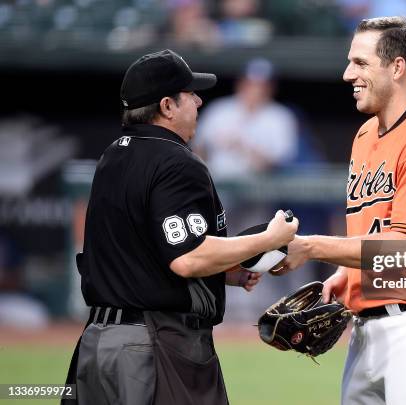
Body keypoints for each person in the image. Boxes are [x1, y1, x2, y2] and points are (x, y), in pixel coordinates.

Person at [62, 49, 298, 405]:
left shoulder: (113, 155)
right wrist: (268, 239)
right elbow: (187, 258)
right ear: (168, 106)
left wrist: (226, 273)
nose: (199, 101)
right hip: (150, 345)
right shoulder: (176, 161)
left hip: (97, 344)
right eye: (190, 94)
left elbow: (147, 251)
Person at [281, 18, 406, 405]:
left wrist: (314, 247)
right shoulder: (366, 134)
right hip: (365, 329)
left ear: (397, 67)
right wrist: (346, 274)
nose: (347, 73)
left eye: (361, 63)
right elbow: (374, 224)